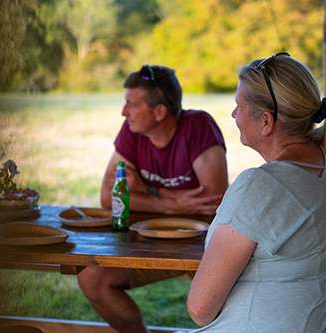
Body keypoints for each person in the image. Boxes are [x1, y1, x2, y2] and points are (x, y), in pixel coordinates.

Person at [186, 53, 326, 332]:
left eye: (239, 106)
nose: (234, 114)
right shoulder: (325, 163)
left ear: (266, 122)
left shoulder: (264, 185)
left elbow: (200, 309)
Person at [77, 64, 229, 333]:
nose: (124, 113)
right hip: (147, 241)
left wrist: (145, 192)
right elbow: (109, 198)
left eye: (131, 105)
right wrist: (168, 199)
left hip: (200, 247)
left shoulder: (198, 126)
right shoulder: (132, 130)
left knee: (223, 301)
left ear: (160, 112)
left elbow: (214, 202)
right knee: (92, 277)